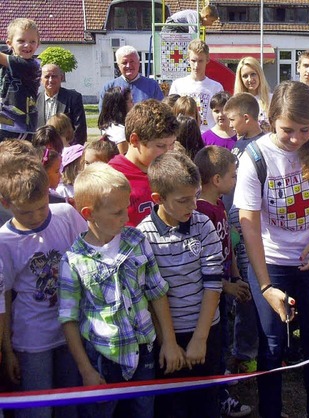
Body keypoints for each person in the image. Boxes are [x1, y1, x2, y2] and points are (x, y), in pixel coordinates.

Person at [234, 80, 309, 418]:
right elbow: (249, 223)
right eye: (287, 131)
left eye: (304, 130)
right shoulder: (255, 158)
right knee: (271, 348)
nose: (296, 139)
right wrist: (266, 286)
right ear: (269, 121)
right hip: (272, 261)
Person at [58, 162, 183, 418]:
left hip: (143, 352)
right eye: (117, 213)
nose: (126, 218)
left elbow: (157, 292)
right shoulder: (73, 261)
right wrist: (85, 370)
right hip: (102, 358)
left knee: (143, 411)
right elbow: (68, 319)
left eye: (126, 208)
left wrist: (169, 342)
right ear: (88, 213)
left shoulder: (137, 241)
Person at [137, 151, 224, 418]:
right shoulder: (143, 236)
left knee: (206, 404)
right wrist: (169, 343)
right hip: (168, 338)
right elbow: (149, 296)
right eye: (183, 200)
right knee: (172, 408)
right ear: (158, 199)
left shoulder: (203, 225)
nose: (193, 206)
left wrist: (200, 338)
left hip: (206, 331)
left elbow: (212, 283)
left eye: (195, 196)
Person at [0, 156, 86, 418]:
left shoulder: (66, 215)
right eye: (26, 212)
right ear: (6, 204)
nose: (37, 216)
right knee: (38, 411)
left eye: (42, 207)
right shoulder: (5, 241)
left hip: (71, 331)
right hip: (32, 340)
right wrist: (8, 350)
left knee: (70, 407)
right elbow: (4, 297)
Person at [193, 145, 253, 417]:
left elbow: (227, 245)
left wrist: (235, 276)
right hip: (212, 293)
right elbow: (202, 263)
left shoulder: (217, 205)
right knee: (216, 346)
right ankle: (218, 397)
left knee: (224, 339)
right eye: (232, 175)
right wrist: (227, 285)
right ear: (217, 180)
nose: (235, 180)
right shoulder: (201, 213)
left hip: (225, 284)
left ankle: (221, 387)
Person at [109, 99, 178, 227]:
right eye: (161, 145)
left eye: (172, 144)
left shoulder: (172, 171)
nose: (169, 152)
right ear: (135, 140)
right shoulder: (112, 178)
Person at [170, 39, 224, 133]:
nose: (196, 65)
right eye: (193, 61)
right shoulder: (178, 85)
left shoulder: (216, 87)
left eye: (200, 61)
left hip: (207, 138)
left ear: (207, 60)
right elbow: (171, 114)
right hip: (182, 135)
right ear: (188, 60)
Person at [0, 18, 40, 140]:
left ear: (38, 44)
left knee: (15, 158)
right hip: (3, 123)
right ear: (9, 43)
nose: (27, 45)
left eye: (32, 41)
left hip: (21, 126)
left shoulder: (31, 65)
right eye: (21, 41)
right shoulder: (8, 56)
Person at [99, 45, 164, 111]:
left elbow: (161, 113)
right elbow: (104, 116)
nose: (128, 66)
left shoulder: (152, 86)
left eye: (132, 61)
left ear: (139, 63)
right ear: (118, 65)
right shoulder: (109, 88)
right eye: (124, 63)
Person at [36, 63, 87, 145]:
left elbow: (80, 129)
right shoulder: (35, 100)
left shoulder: (73, 97)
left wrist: (71, 152)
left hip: (66, 149)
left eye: (54, 76)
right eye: (47, 77)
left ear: (61, 78)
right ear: (40, 79)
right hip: (41, 150)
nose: (50, 80)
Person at [224, 92, 265, 159]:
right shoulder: (238, 143)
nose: (230, 125)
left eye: (232, 120)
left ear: (246, 118)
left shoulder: (262, 145)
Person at [234, 56, 271, 128]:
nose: (250, 79)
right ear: (240, 79)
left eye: (253, 74)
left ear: (259, 74)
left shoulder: (272, 99)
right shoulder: (236, 103)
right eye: (245, 76)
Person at [99, 86, 133, 154]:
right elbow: (123, 161)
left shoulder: (110, 127)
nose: (133, 104)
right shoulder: (120, 133)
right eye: (131, 101)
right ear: (121, 105)